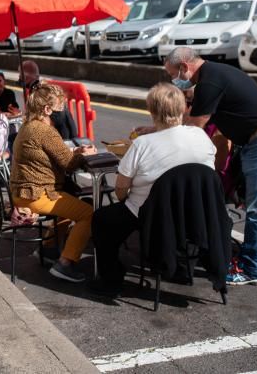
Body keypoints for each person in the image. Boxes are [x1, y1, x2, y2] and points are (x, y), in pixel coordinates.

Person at [90, 83, 217, 296]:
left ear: (152, 111)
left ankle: (111, 280)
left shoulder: (142, 144)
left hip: (151, 214)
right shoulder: (200, 136)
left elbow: (121, 188)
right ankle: (180, 267)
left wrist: (126, 199)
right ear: (183, 108)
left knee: (102, 220)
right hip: (193, 212)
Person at [164, 47, 257, 285]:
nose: (173, 80)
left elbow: (191, 128)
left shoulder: (210, 82)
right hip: (253, 141)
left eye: (173, 74)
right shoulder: (214, 75)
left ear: (184, 67)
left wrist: (160, 139)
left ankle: (254, 268)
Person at [10, 84, 96, 283]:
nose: (63, 112)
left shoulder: (27, 125)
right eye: (60, 107)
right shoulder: (45, 130)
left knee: (71, 200)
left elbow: (56, 156)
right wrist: (84, 155)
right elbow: (68, 164)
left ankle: (49, 248)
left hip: (23, 192)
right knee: (88, 214)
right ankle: (65, 263)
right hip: (36, 195)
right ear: (47, 110)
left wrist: (75, 154)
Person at [20, 60, 78, 140]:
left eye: (20, 75)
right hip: (70, 135)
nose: (19, 78)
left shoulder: (36, 92)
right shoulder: (45, 88)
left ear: (24, 77)